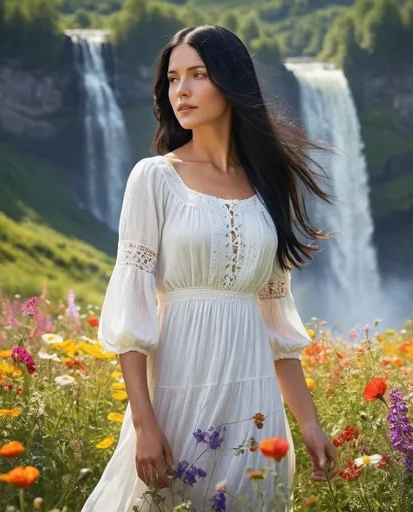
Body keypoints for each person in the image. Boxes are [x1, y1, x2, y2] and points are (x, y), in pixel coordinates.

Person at [82, 24, 339, 512]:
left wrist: (308, 423)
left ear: (230, 80)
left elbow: (277, 327)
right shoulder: (154, 178)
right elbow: (132, 317)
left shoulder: (270, 186)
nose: (181, 89)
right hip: (177, 395)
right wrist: (144, 424)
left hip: (254, 404)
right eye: (173, 78)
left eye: (197, 75)